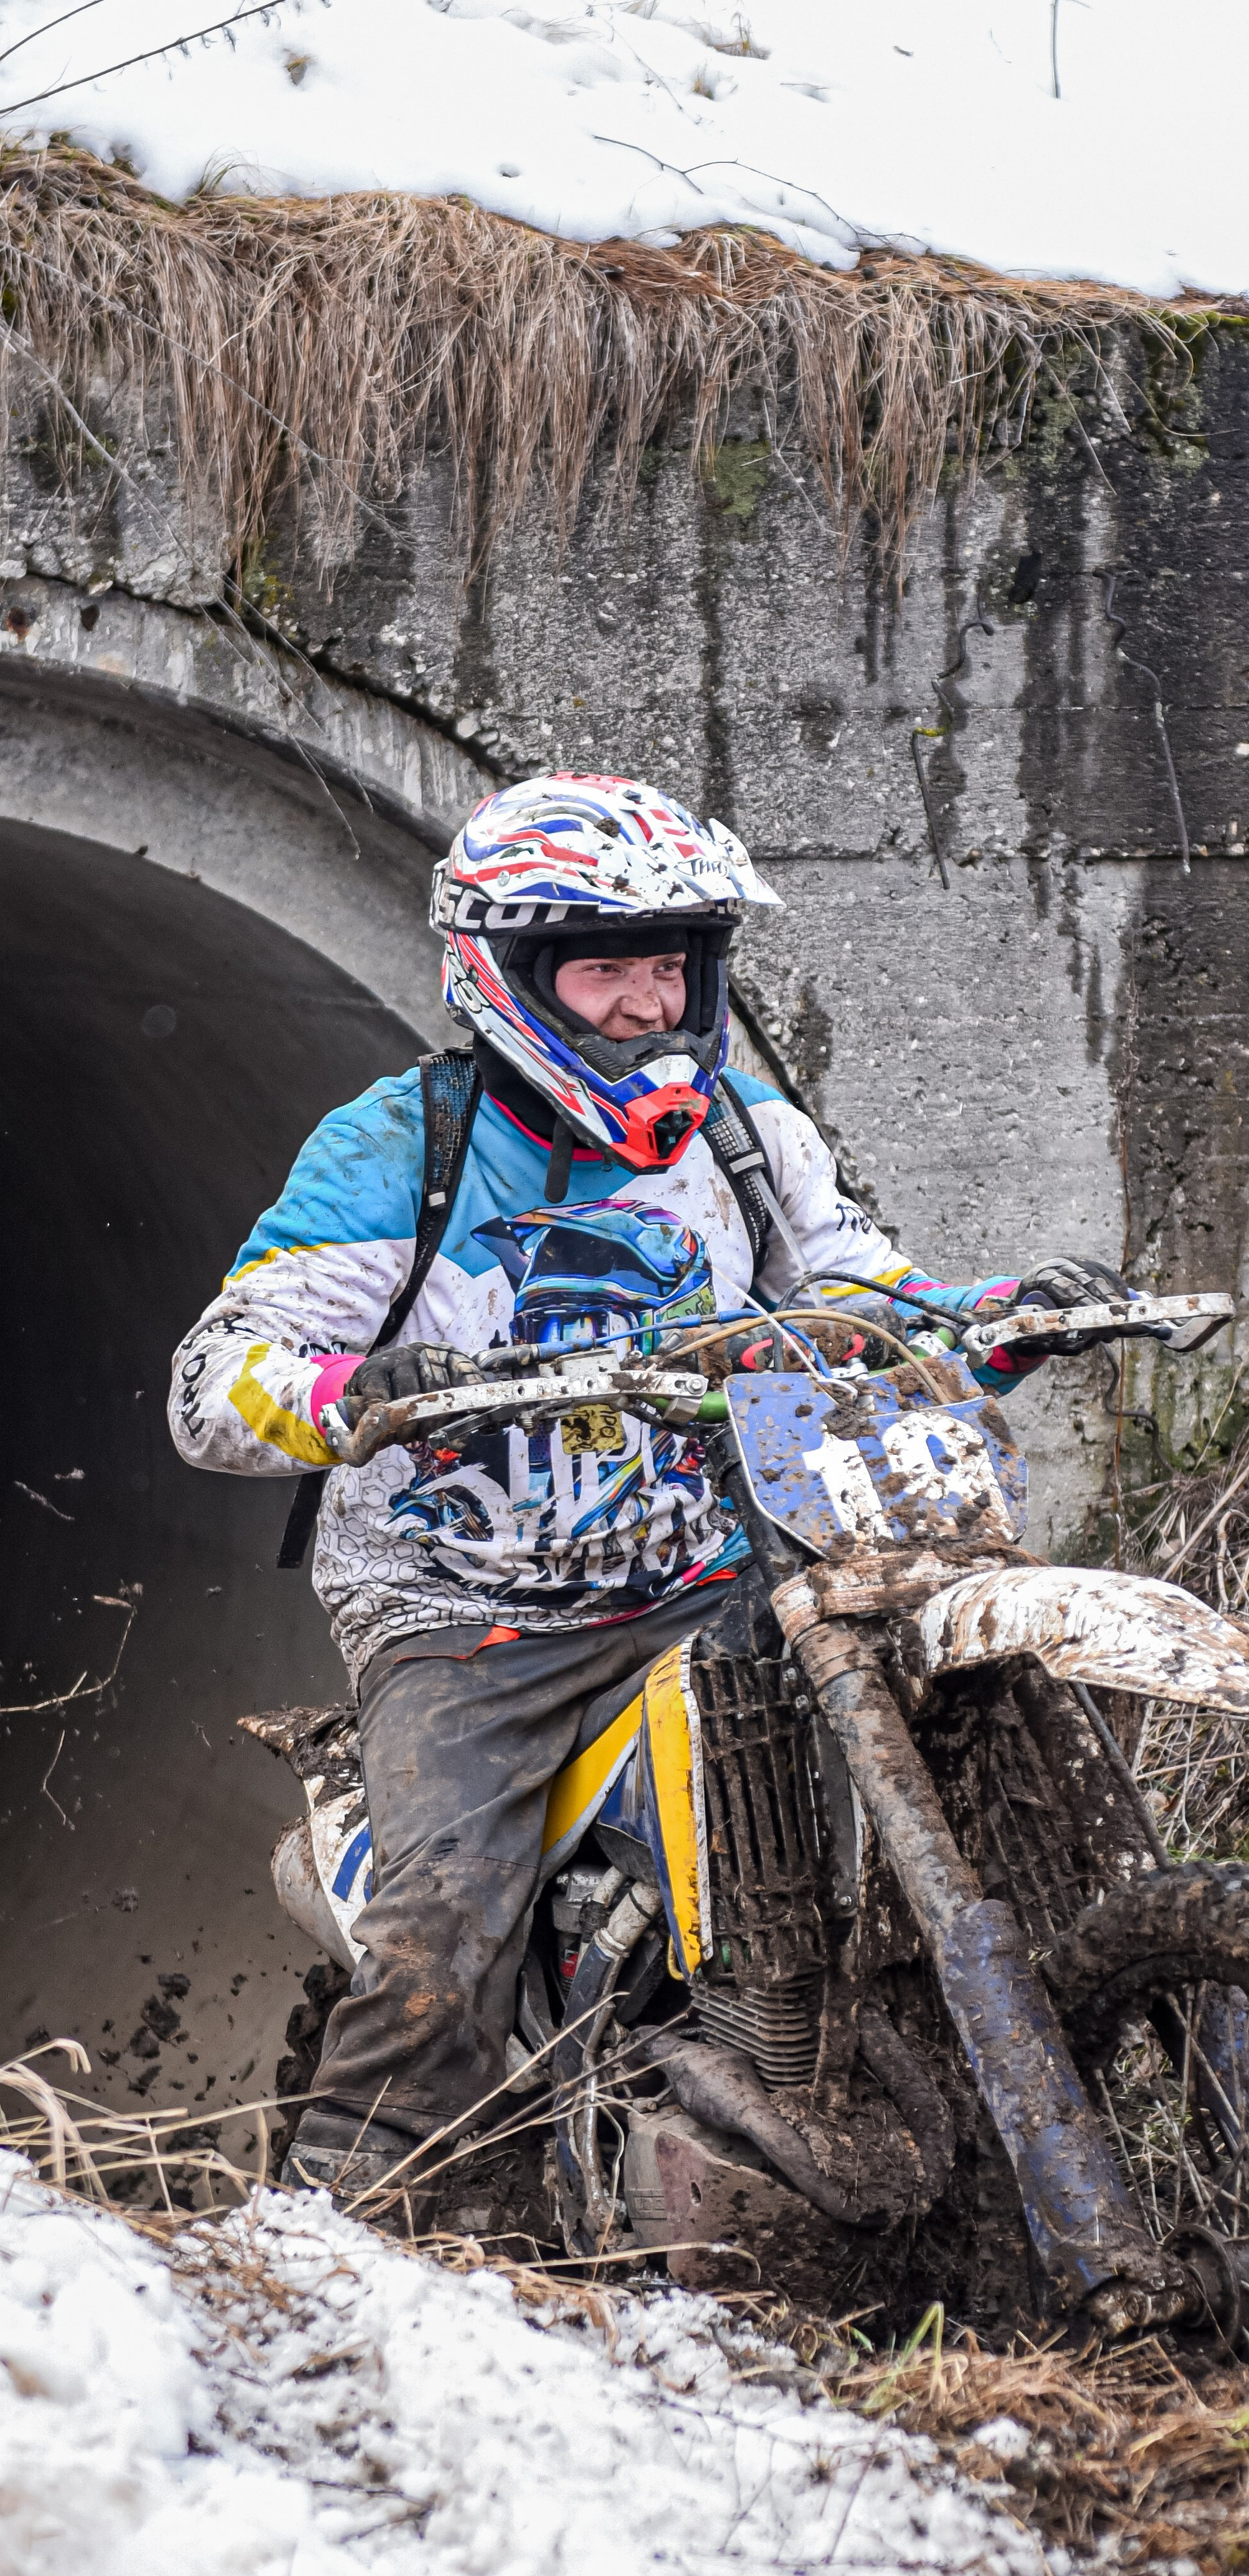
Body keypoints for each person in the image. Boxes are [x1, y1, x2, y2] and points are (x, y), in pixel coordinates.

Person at [168, 773, 1129, 2202]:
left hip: (718, 1577)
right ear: (506, 974)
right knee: (441, 1938)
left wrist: (996, 1317)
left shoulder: (746, 1133)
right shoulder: (400, 1146)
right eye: (601, 966)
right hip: (471, 1615)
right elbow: (211, 1378)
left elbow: (864, 1299)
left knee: (932, 1749)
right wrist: (339, 1396)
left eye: (667, 966)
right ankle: (338, 2241)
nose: (640, 1003)